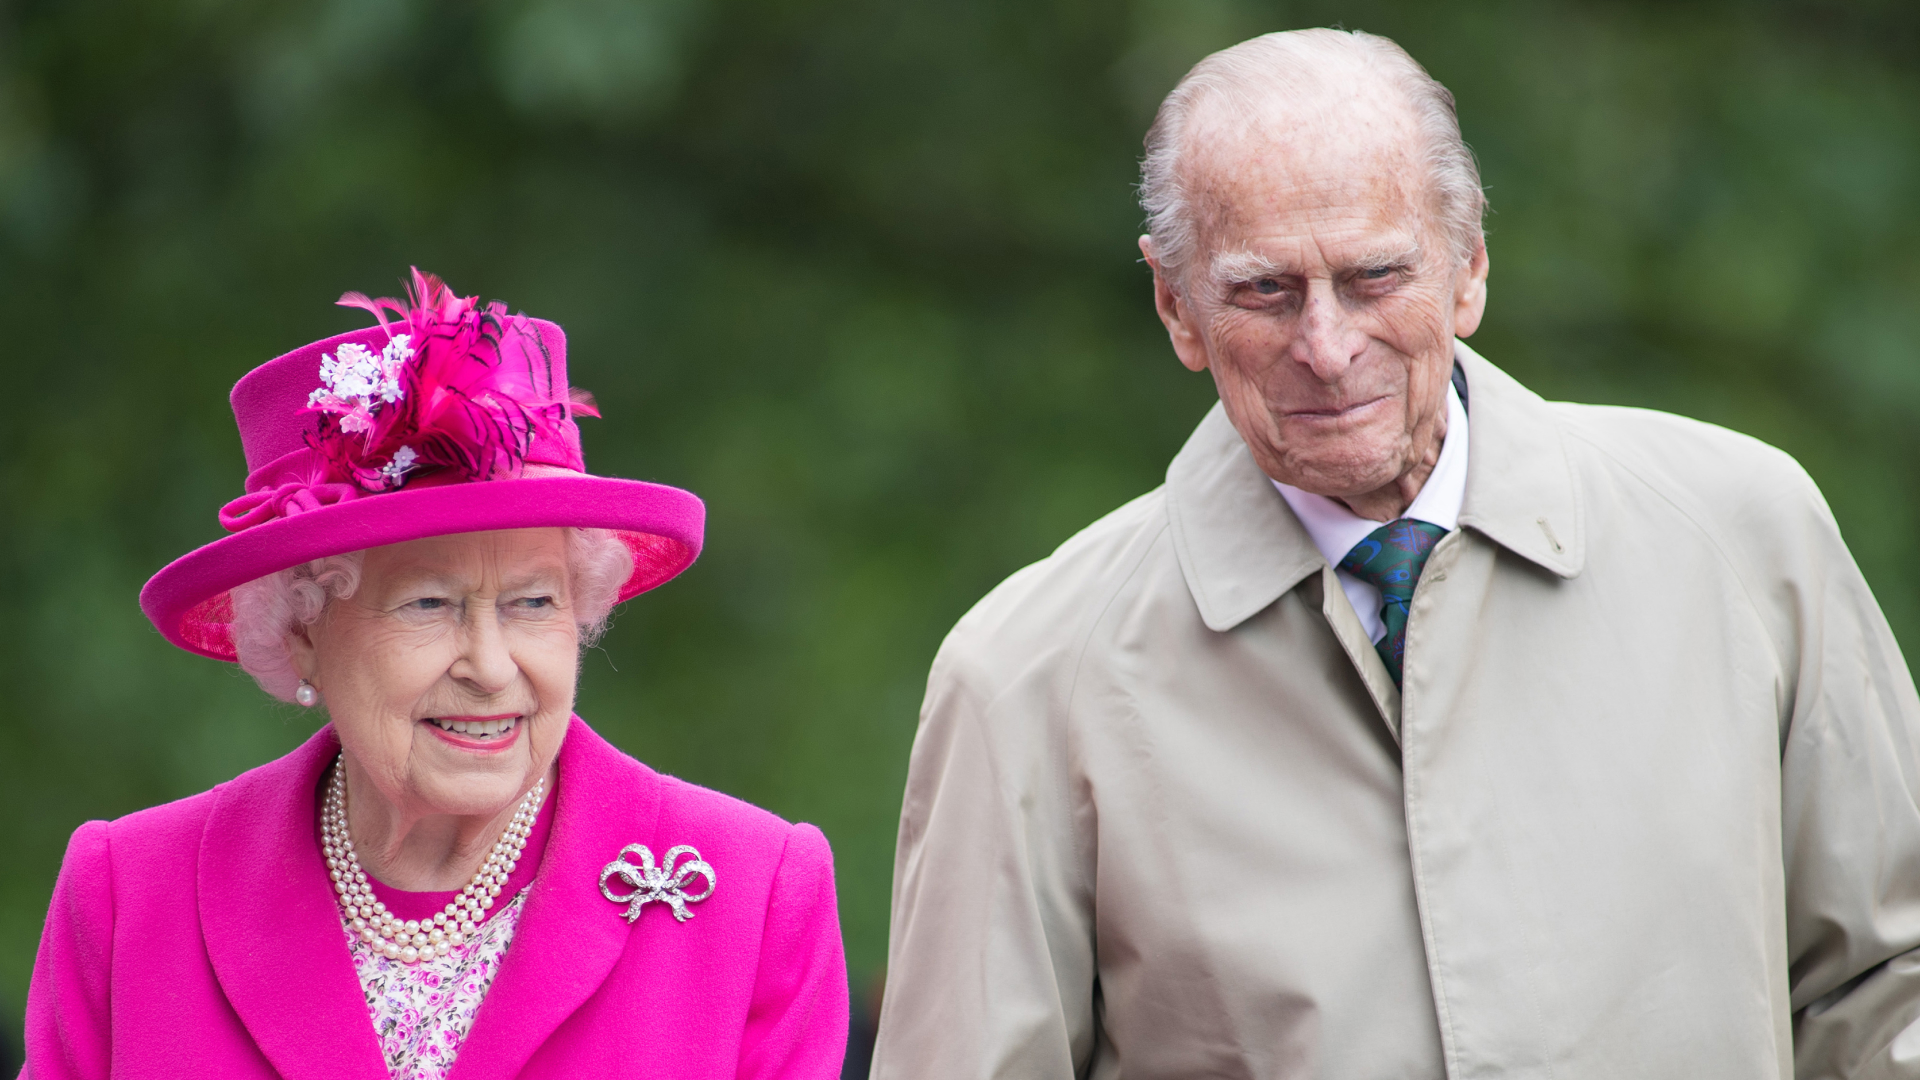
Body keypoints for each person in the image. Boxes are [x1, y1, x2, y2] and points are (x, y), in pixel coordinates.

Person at [871, 28, 1920, 1079]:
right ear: (1175, 308)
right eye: (1263, 292)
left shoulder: (1743, 541)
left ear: (1468, 269)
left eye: (1374, 277)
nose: (1326, 348)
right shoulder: (1025, 682)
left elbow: (1890, 991)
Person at [23, 270, 849, 1079]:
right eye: (427, 605)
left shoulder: (752, 893)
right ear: (303, 629)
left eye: (532, 603)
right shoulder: (133, 895)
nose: (492, 669)